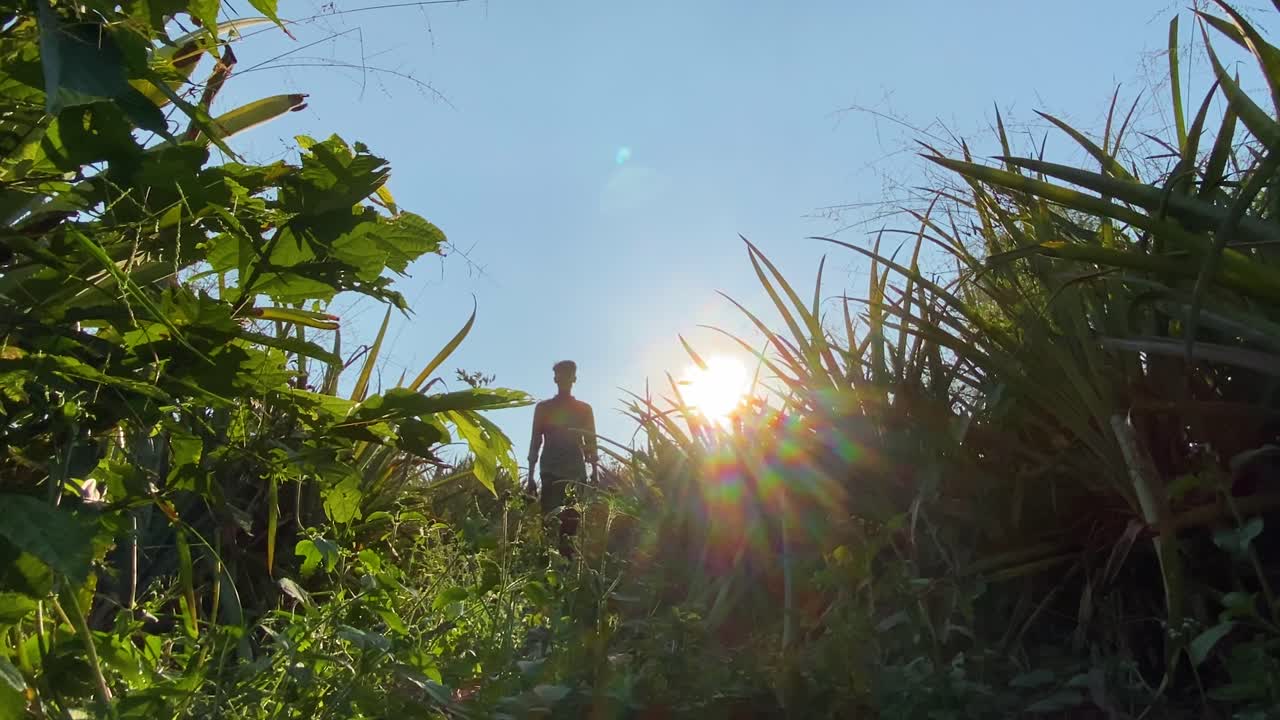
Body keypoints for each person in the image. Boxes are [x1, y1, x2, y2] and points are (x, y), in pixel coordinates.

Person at [527, 360, 597, 556]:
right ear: (555, 378)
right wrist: (530, 476)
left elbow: (591, 442)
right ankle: (548, 571)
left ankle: (566, 570)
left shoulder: (584, 409)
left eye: (568, 374)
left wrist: (595, 474)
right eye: (561, 374)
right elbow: (535, 440)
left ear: (574, 378)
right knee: (549, 523)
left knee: (571, 526)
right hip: (550, 472)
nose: (564, 379)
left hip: (575, 472)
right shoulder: (543, 408)